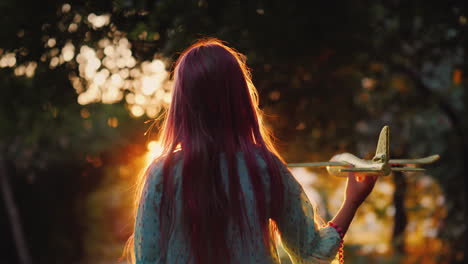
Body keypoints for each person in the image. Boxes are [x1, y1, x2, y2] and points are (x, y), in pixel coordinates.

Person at [123, 38, 378, 264]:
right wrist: (352, 201)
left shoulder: (161, 174)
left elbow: (147, 259)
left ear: (182, 103)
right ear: (240, 97)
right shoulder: (265, 167)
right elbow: (312, 253)